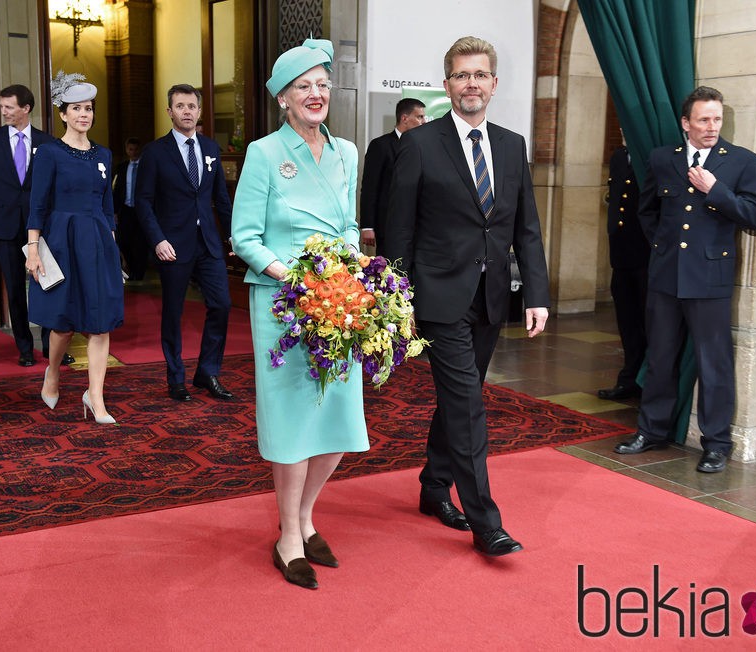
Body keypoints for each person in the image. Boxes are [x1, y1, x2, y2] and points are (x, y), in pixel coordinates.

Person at [385, 36, 551, 556]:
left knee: (460, 399)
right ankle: (485, 522)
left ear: (494, 83)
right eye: (461, 75)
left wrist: (537, 295)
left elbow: (527, 228)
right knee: (469, 405)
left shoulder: (510, 144)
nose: (471, 83)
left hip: (491, 297)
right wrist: (399, 301)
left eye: (479, 75)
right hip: (437, 298)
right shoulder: (419, 144)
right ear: (447, 84)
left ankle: (434, 488)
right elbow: (398, 232)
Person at [231, 38, 369, 589]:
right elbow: (244, 237)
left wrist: (355, 262)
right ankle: (289, 534)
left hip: (339, 304)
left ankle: (307, 515)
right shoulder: (265, 154)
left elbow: (348, 224)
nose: (316, 95)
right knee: (292, 426)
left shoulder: (348, 152)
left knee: (337, 422)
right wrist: (294, 278)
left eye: (322, 85)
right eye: (303, 87)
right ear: (284, 99)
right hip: (284, 306)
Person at [614, 86, 756, 473]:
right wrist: (663, 248)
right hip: (666, 276)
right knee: (661, 356)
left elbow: (754, 215)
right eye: (703, 119)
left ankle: (716, 443)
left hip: (710, 279)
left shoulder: (742, 162)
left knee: (713, 363)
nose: (712, 126)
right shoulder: (664, 158)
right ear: (686, 123)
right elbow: (646, 210)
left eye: (717, 119)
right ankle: (652, 431)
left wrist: (715, 190)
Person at [25, 73, 123, 424]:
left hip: (97, 241)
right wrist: (33, 248)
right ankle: (52, 371)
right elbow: (37, 205)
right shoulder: (50, 153)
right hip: (62, 240)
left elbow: (108, 206)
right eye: (76, 108)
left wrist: (112, 246)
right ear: (63, 114)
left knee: (100, 324)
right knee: (64, 325)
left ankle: (95, 397)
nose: (84, 114)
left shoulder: (104, 154)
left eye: (89, 108)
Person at [136, 85, 234, 402]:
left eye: (192, 106)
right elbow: (143, 202)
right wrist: (158, 240)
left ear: (199, 111)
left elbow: (221, 198)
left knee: (221, 304)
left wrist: (233, 234)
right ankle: (175, 376)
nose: (187, 111)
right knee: (173, 313)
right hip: (172, 245)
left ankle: (207, 372)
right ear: (170, 112)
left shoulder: (210, 148)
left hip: (208, 242)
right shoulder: (154, 152)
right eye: (180, 106)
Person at [0, 84, 74, 367]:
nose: (3, 111)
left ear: (26, 108)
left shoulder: (47, 142)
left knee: (46, 283)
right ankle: (24, 348)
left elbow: (56, 188)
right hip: (3, 225)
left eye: (9, 107)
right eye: (2, 106)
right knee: (15, 288)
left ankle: (49, 347)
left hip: (41, 226)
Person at [597, 137, 648, 400]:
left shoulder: (652, 155)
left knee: (647, 322)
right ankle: (629, 378)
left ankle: (647, 382)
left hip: (647, 255)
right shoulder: (619, 157)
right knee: (627, 322)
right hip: (621, 254)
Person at [359, 98, 426, 255]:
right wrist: (367, 226)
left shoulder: (423, 147)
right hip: (388, 225)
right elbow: (370, 187)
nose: (424, 122)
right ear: (404, 118)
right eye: (419, 117)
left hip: (418, 227)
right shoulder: (380, 145)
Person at [112, 137, 148, 281]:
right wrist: (114, 211)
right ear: (126, 150)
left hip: (142, 209)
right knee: (123, 240)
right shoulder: (122, 167)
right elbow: (116, 189)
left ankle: (138, 273)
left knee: (140, 243)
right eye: (130, 149)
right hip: (126, 209)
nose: (133, 152)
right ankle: (131, 268)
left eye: (135, 149)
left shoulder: (146, 167)